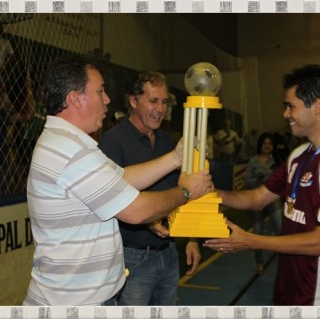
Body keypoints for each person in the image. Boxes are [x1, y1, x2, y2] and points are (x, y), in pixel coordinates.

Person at [23, 55, 213, 306]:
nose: (107, 99)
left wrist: (176, 158)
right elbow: (136, 211)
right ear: (75, 98)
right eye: (100, 91)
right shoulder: (71, 151)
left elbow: (122, 177)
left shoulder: (72, 143)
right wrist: (186, 191)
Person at [203, 64, 320, 305]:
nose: (285, 114)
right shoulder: (298, 155)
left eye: (291, 106)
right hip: (288, 287)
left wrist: (250, 240)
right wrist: (207, 192)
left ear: (317, 107)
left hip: (314, 294)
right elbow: (257, 199)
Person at [99, 71, 201, 306]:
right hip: (132, 257)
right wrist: (148, 220)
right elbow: (111, 198)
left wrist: (192, 238)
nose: (160, 108)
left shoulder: (167, 142)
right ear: (134, 101)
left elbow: (185, 191)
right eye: (153, 101)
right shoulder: (113, 141)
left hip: (168, 252)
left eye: (164, 102)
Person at [244, 132, 283, 275]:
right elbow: (247, 180)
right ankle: (259, 262)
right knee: (258, 231)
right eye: (265, 143)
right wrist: (257, 181)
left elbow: (284, 180)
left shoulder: (278, 161)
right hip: (257, 199)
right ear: (260, 145)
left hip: (273, 198)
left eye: (270, 144)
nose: (267, 146)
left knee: (280, 229)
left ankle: (284, 262)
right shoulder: (253, 161)